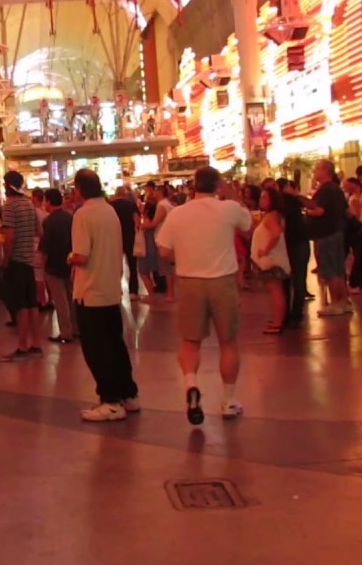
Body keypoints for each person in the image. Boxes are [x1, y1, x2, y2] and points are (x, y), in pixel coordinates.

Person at [157, 166, 252, 425]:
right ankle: (229, 401)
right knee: (228, 342)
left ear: (193, 186)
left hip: (190, 282)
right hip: (222, 282)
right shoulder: (228, 209)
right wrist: (232, 193)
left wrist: (185, 258)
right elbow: (248, 225)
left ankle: (191, 385)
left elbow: (164, 251)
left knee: (190, 342)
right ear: (217, 185)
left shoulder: (178, 214)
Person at [69, 169, 139, 421]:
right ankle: (128, 394)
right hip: (110, 288)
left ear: (79, 188)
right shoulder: (109, 211)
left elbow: (81, 255)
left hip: (90, 291)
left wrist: (70, 257)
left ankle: (110, 400)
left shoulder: (83, 215)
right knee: (116, 344)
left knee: (97, 349)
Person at [0, 171, 42, 361]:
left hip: (16, 260)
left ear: (8, 185)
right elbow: (39, 231)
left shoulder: (10, 206)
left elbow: (10, 237)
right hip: (29, 260)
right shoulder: (29, 204)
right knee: (32, 303)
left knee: (20, 305)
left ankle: (22, 346)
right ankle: (36, 344)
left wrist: (5, 260)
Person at [302, 159, 351, 316]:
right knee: (338, 269)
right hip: (337, 232)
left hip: (326, 233)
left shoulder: (325, 190)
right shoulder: (336, 189)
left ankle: (336, 302)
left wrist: (307, 211)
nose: (315, 172)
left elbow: (319, 211)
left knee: (330, 270)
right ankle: (344, 301)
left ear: (325, 171)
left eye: (317, 169)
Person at [251, 185, 290, 333]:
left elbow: (275, 233)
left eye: (265, 197)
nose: (261, 200)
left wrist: (265, 250)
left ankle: (278, 321)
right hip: (273, 259)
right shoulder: (273, 215)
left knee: (276, 290)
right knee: (276, 290)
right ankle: (277, 318)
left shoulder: (271, 216)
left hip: (272, 260)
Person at [40, 189, 76, 344]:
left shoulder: (48, 221)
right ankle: (76, 329)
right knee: (71, 298)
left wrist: (42, 265)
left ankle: (65, 332)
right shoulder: (70, 217)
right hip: (69, 262)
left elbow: (45, 246)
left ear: (48, 201)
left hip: (53, 265)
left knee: (60, 301)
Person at [276, 179, 311, 325]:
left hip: (289, 243)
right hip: (300, 242)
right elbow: (313, 206)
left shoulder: (278, 204)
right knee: (298, 278)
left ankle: (288, 313)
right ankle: (296, 313)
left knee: (287, 279)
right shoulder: (294, 199)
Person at [112, 186, 141, 297]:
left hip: (115, 238)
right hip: (130, 237)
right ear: (124, 194)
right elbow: (136, 220)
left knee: (115, 265)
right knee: (132, 265)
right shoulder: (130, 204)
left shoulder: (110, 205)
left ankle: (117, 289)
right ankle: (133, 291)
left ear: (115, 194)